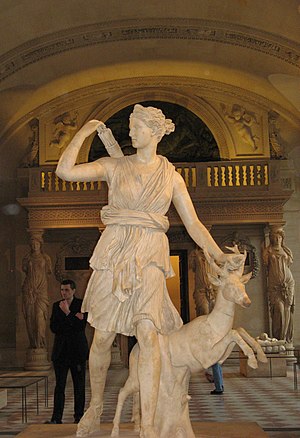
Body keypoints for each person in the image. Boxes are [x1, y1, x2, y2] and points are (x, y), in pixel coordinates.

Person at [56, 104, 244, 438]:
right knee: (102, 338)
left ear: (154, 132)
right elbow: (65, 171)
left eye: (137, 127)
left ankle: (148, 425)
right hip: (115, 251)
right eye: (129, 127)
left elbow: (194, 224)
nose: (130, 133)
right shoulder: (115, 166)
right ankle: (95, 405)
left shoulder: (171, 177)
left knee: (149, 336)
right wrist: (83, 132)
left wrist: (217, 254)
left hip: (150, 255)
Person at [45, 279, 89, 424]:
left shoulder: (81, 304)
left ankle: (79, 417)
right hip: (61, 353)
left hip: (77, 353)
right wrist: (73, 318)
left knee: (79, 386)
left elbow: (80, 327)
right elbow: (54, 327)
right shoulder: (56, 305)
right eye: (62, 290)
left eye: (67, 290)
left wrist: (68, 313)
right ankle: (56, 418)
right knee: (59, 386)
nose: (63, 293)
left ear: (73, 291)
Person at [262, 227, 295, 343]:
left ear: (282, 238)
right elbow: (266, 264)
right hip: (274, 285)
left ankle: (286, 341)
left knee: (287, 311)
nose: (277, 239)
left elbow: (289, 264)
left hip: (288, 284)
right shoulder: (268, 251)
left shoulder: (286, 251)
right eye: (274, 237)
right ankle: (278, 339)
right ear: (271, 238)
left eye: (279, 237)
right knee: (279, 310)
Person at [22, 233, 52, 349]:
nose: (35, 246)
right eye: (33, 244)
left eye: (37, 244)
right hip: (29, 288)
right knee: (30, 317)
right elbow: (25, 270)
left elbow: (48, 272)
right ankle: (33, 344)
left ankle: (41, 344)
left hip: (42, 290)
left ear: (41, 245)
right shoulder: (27, 258)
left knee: (40, 317)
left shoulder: (46, 258)